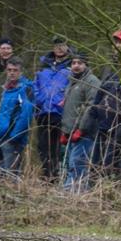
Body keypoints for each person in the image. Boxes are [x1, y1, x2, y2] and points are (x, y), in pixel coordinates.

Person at [92, 46, 121, 179]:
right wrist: (94, 111)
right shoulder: (113, 75)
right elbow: (100, 94)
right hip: (104, 124)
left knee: (115, 157)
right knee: (99, 157)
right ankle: (101, 183)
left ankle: (113, 182)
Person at [59, 51, 102, 192]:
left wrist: (82, 129)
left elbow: (92, 106)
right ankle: (72, 192)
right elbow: (70, 108)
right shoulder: (72, 82)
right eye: (73, 63)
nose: (76, 66)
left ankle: (72, 194)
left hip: (84, 133)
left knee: (76, 165)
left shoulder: (92, 81)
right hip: (70, 132)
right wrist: (65, 131)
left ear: (86, 65)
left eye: (80, 63)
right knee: (69, 164)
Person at [33, 35, 72, 181]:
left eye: (62, 45)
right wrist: (40, 101)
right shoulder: (43, 67)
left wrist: (64, 100)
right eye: (57, 45)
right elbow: (35, 86)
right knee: (43, 146)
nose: (60, 48)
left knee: (60, 146)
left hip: (61, 113)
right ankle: (47, 175)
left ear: (67, 47)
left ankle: (60, 175)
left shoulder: (72, 66)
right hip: (44, 112)